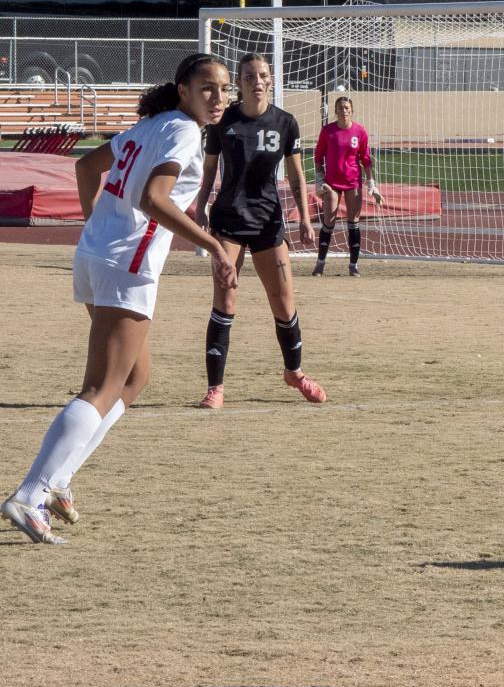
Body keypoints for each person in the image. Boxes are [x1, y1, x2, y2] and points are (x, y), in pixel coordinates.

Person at [4, 54, 238, 545]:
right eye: (207, 88)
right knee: (102, 386)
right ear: (183, 90)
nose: (217, 98)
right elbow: (153, 198)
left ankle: (58, 481)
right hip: (125, 263)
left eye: (223, 89)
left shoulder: (152, 123)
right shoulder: (183, 131)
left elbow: (87, 165)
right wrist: (213, 244)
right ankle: (31, 493)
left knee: (135, 377)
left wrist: (96, 223)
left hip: (99, 254)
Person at [193, 55, 327, 409]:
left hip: (268, 222)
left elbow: (297, 176)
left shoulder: (285, 122)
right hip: (228, 221)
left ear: (270, 80)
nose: (257, 81)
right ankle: (215, 388)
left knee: (284, 303)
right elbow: (209, 172)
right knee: (226, 301)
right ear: (239, 81)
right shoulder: (224, 121)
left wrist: (305, 219)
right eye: (250, 75)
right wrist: (201, 206)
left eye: (263, 75)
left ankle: (294, 372)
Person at [313, 95, 383, 276]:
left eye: (346, 108)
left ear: (352, 111)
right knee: (329, 221)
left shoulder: (360, 131)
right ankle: (320, 264)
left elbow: (366, 159)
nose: (344, 111)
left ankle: (353, 266)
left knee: (353, 223)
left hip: (353, 182)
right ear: (335, 111)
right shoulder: (328, 131)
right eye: (340, 108)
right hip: (332, 184)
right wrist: (319, 179)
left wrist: (372, 185)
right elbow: (319, 156)